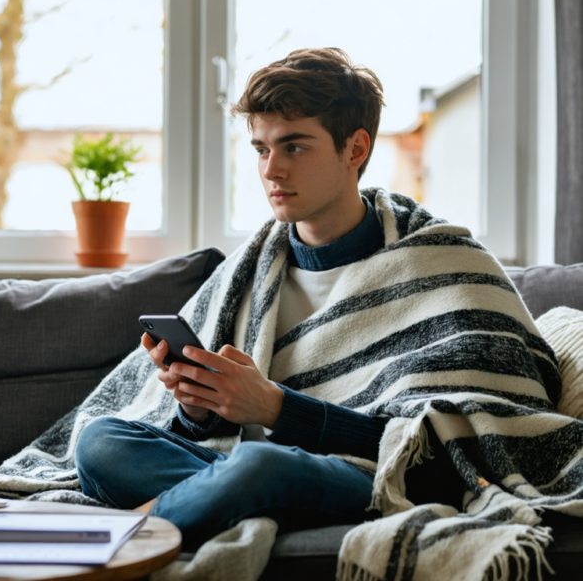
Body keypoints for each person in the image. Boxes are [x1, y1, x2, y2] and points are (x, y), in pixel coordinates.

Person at [74, 48, 522, 542]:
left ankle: (134, 531)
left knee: (261, 465)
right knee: (102, 442)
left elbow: (450, 450)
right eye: (262, 149)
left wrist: (276, 409)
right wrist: (198, 409)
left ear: (354, 149)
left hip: (373, 477)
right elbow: (207, 434)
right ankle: (220, 504)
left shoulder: (445, 263)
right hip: (245, 465)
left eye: (295, 147)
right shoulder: (251, 269)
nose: (271, 171)